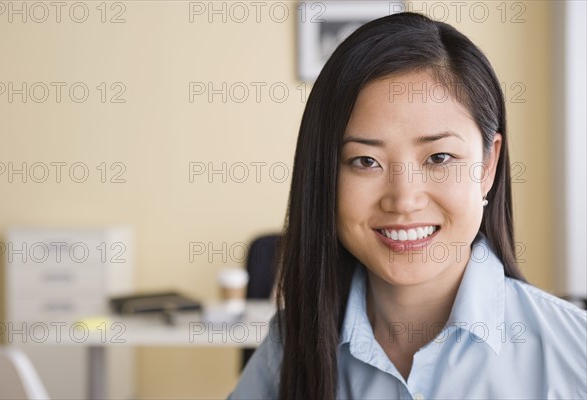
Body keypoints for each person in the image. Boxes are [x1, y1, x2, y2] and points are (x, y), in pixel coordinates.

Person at [229, 12, 587, 400]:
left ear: (487, 165)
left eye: (439, 158)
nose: (403, 200)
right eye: (366, 161)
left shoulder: (575, 354)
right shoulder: (287, 347)